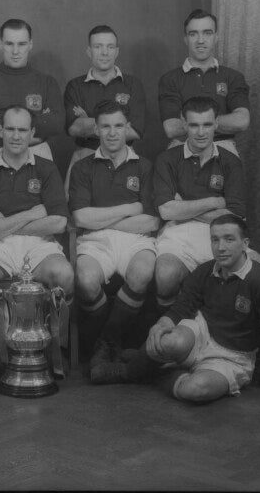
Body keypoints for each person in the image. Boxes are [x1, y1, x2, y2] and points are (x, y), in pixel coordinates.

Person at [118, 214, 260, 412]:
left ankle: (153, 373)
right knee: (167, 340)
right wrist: (162, 323)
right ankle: (129, 371)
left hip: (232, 356)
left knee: (195, 389)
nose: (221, 247)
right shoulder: (206, 270)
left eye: (229, 239)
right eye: (215, 240)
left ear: (245, 244)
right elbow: (181, 307)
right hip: (202, 333)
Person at [0, 104, 74, 373]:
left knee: (64, 275)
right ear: (1, 130)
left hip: (38, 245)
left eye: (22, 130)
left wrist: (3, 222)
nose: (16, 136)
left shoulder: (47, 169)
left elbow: (59, 222)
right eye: (11, 129)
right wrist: (31, 213)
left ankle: (51, 350)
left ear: (32, 133)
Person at [153, 96, 260, 320]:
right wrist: (215, 201)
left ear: (217, 125)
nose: (201, 132)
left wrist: (184, 205)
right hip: (178, 235)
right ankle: (170, 333)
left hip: (222, 234)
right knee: (165, 275)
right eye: (194, 125)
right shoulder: (167, 159)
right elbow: (167, 212)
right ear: (184, 125)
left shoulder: (230, 162)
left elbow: (234, 217)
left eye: (207, 125)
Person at [67, 100, 159, 383]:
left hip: (136, 239)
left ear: (127, 128)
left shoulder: (144, 166)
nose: (112, 133)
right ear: (95, 129)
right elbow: (81, 218)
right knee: (84, 279)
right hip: (94, 241)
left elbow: (152, 221)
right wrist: (129, 209)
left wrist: (105, 217)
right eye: (105, 126)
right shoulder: (82, 167)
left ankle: (103, 346)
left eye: (118, 126)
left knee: (143, 271)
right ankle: (109, 345)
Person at [0, 19, 64, 167]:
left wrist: (0, 117)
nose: (15, 51)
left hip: (37, 152)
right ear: (1, 44)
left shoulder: (47, 82)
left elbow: (56, 124)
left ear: (30, 44)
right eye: (9, 44)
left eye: (21, 44)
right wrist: (36, 122)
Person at [63, 25, 146, 192]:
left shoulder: (133, 85)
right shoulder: (75, 86)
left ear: (117, 51)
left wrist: (90, 121)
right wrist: (120, 124)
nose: (104, 52)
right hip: (85, 154)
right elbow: (74, 128)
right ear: (89, 51)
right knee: (77, 211)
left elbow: (136, 130)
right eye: (98, 46)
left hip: (124, 157)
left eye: (110, 47)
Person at [158, 9, 250, 156]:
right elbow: (171, 128)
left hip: (222, 145)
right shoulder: (170, 79)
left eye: (207, 33)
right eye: (193, 34)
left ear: (216, 37)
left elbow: (242, 120)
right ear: (185, 39)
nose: (200, 40)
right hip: (182, 146)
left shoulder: (233, 77)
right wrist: (215, 123)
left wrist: (193, 124)